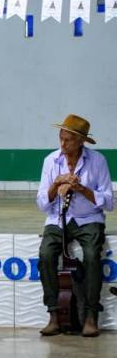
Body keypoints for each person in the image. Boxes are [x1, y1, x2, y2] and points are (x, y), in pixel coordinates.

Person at [37, 114, 113, 338]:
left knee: (91, 255)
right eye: (61, 138)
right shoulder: (51, 161)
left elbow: (109, 202)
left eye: (68, 140)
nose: (62, 144)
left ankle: (90, 316)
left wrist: (82, 189)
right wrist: (56, 184)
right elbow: (42, 202)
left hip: (88, 219)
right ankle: (53, 315)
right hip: (57, 219)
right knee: (45, 254)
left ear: (81, 141)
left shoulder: (97, 161)